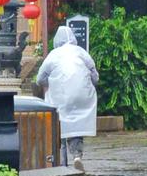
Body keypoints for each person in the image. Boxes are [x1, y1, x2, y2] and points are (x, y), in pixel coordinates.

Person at [35, 20, 99, 166]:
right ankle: (77, 156)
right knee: (77, 124)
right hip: (82, 96)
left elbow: (40, 79)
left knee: (60, 128)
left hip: (60, 96)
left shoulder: (53, 55)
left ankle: (62, 164)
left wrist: (52, 83)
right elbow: (95, 76)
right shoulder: (81, 52)